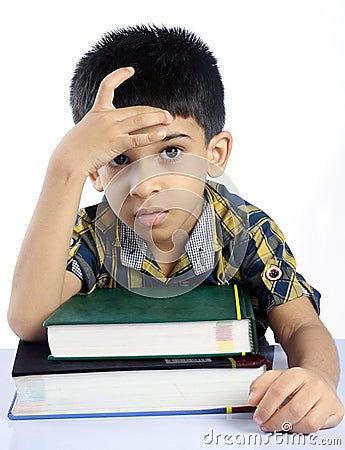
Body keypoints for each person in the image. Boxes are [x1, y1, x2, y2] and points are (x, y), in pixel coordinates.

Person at [8, 25, 343, 433]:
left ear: (214, 154)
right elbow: (29, 321)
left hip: (230, 421)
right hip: (115, 426)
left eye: (171, 151)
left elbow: (299, 324)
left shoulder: (245, 230)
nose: (145, 184)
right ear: (95, 171)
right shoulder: (91, 235)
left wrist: (319, 380)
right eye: (118, 159)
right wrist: (65, 167)